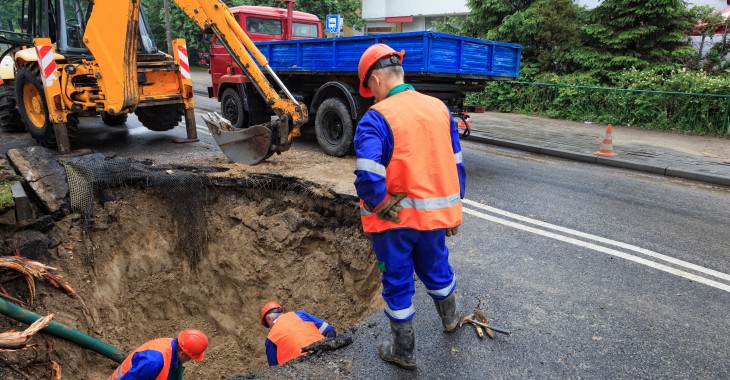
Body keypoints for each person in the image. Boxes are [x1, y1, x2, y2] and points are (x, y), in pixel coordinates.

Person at [353, 43, 467, 370]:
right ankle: (451, 318)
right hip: (433, 219)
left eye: (368, 90)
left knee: (398, 281)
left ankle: (404, 350)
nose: (370, 97)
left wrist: (382, 202)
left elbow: (367, 173)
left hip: (394, 223)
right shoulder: (439, 109)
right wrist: (453, 211)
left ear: (375, 80)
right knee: (436, 268)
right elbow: (455, 163)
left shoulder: (377, 117)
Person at [108, 329, 208, 380]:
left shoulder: (173, 347)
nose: (188, 361)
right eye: (190, 358)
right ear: (182, 354)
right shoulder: (154, 361)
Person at [260, 301, 336, 366]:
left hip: (299, 370)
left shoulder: (271, 338)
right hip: (325, 357)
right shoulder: (300, 314)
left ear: (270, 319)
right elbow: (330, 330)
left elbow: (273, 370)